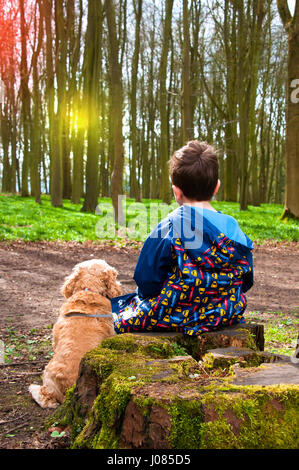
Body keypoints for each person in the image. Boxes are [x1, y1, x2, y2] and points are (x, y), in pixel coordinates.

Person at [111, 140, 254, 336]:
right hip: (224, 312)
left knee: (116, 310)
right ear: (216, 187)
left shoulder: (170, 227)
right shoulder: (233, 227)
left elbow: (147, 281)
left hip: (170, 315)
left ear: (176, 191)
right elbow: (246, 279)